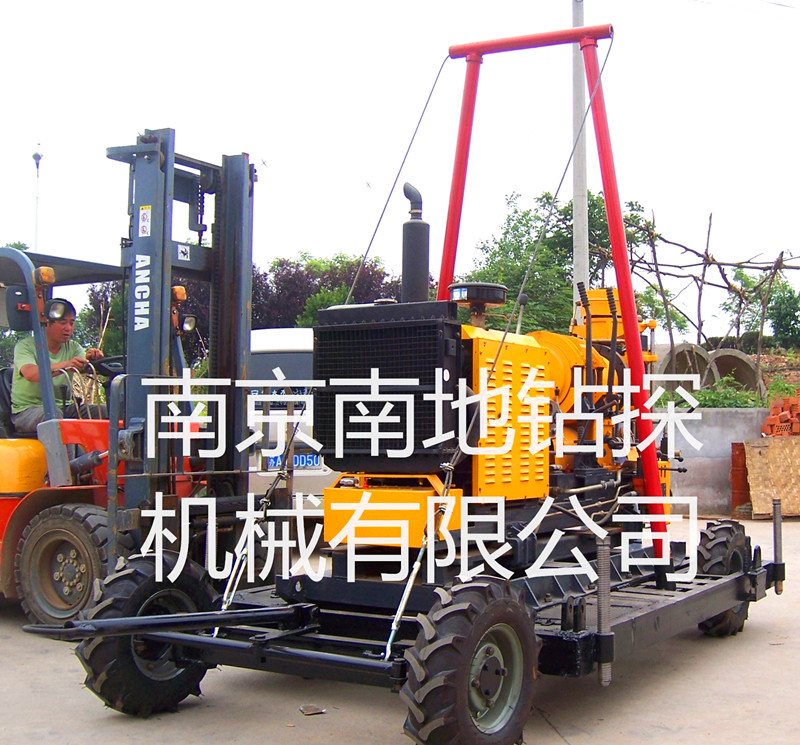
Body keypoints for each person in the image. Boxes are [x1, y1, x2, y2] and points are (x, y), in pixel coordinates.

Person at [11, 298, 106, 433]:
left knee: (107, 412)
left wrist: (92, 358)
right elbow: (31, 374)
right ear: (46, 323)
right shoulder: (25, 346)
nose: (68, 328)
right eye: (63, 323)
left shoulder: (73, 347)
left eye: (71, 323)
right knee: (53, 416)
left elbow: (83, 363)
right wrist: (67, 365)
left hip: (65, 407)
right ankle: (65, 448)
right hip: (28, 410)